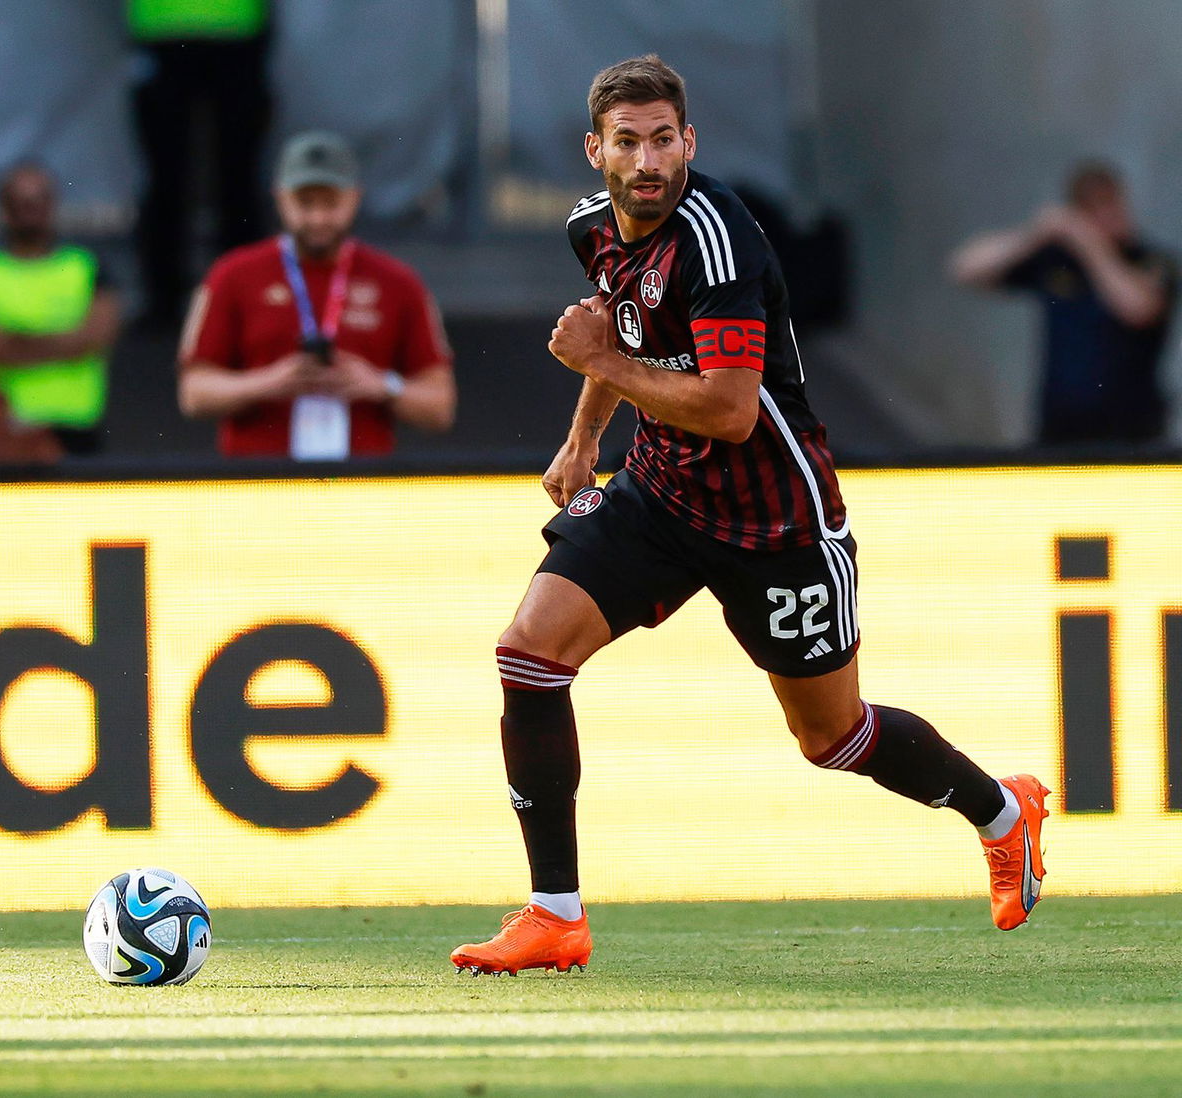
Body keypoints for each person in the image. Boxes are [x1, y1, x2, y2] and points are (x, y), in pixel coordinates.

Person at [450, 55, 1050, 976]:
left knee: (833, 738)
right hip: (659, 492)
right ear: (595, 150)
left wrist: (599, 368)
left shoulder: (717, 239)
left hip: (776, 520)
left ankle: (1002, 811)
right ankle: (555, 915)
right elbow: (620, 335)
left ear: (689, 141)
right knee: (528, 654)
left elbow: (730, 410)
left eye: (663, 140)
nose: (647, 160)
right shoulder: (591, 232)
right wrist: (583, 444)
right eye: (627, 142)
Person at [177, 132, 456, 459]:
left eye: (331, 203)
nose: (318, 218)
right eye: (305, 203)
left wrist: (382, 385)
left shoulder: (398, 282)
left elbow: (441, 405)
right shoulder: (232, 275)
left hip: (361, 490)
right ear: (280, 199)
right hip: (259, 487)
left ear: (355, 198)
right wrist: (269, 382)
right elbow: (193, 393)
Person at [949, 162, 1177, 446]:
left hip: (1133, 435)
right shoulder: (1057, 262)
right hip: (1058, 434)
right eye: (1092, 209)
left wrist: (1091, 245)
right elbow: (965, 268)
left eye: (1110, 204)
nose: (1106, 216)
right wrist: (1033, 235)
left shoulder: (1149, 261)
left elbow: (1138, 309)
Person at [128, 0, 273, 331]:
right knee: (173, 177)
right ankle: (166, 299)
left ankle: (241, 296)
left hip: (231, 31)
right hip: (168, 30)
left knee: (236, 177)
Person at [0, 162, 121, 456]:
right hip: (4, 426)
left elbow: (97, 336)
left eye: (37, 201)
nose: (29, 211)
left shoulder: (85, 265)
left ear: (52, 205)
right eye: (20, 203)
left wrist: (16, 341)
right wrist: (65, 339)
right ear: (4, 209)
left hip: (76, 424)